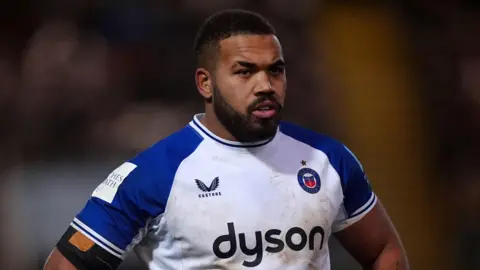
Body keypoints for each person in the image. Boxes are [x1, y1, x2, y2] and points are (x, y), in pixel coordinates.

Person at [44, 9, 409, 270]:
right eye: (244, 72)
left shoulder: (328, 159)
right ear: (205, 83)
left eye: (275, 70)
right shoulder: (154, 174)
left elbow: (384, 251)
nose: (265, 85)